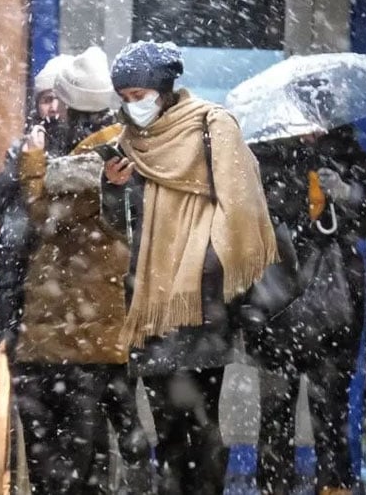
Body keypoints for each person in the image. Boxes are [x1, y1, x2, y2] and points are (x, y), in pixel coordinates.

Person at [100, 40, 278, 495]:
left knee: (201, 427)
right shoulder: (128, 143)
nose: (131, 105)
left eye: (138, 95)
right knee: (166, 429)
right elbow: (119, 227)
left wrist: (202, 264)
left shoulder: (212, 127)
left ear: (162, 88)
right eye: (124, 97)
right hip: (152, 303)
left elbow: (241, 211)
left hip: (202, 306)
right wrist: (113, 189)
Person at [10, 46, 152, 493]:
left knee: (62, 465)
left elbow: (42, 210)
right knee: (80, 462)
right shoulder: (115, 147)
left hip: (73, 337)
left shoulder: (100, 155)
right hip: (81, 335)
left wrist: (32, 161)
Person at [251, 124, 366, 495]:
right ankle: (275, 488)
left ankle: (333, 486)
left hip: (336, 305)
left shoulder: (344, 151)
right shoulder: (264, 152)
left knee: (332, 412)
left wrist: (345, 191)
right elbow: (257, 215)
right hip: (278, 304)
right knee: (275, 416)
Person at [0, 53, 72, 355]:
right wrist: (25, 160)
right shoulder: (23, 149)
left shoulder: (83, 152)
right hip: (20, 288)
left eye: (60, 99)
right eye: (46, 99)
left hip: (61, 290)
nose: (53, 107)